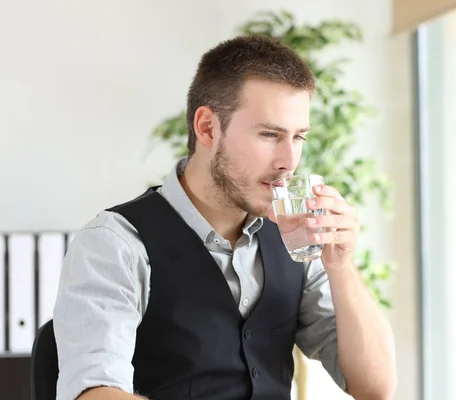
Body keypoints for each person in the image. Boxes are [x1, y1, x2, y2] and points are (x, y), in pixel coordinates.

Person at [53, 34, 397, 400]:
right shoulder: (116, 243)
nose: (288, 161)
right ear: (206, 127)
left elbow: (374, 388)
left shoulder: (294, 239)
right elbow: (93, 393)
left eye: (298, 138)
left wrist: (341, 266)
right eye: (269, 134)